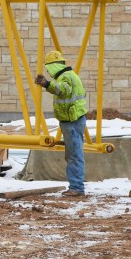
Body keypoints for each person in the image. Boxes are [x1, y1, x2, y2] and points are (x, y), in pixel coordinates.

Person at [34, 50, 87, 197]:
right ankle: (76, 186)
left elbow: (63, 90)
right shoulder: (70, 75)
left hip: (72, 121)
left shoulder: (65, 77)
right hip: (73, 120)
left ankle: (76, 187)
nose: (49, 72)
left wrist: (46, 84)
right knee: (74, 154)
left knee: (74, 155)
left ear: (52, 66)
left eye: (48, 69)